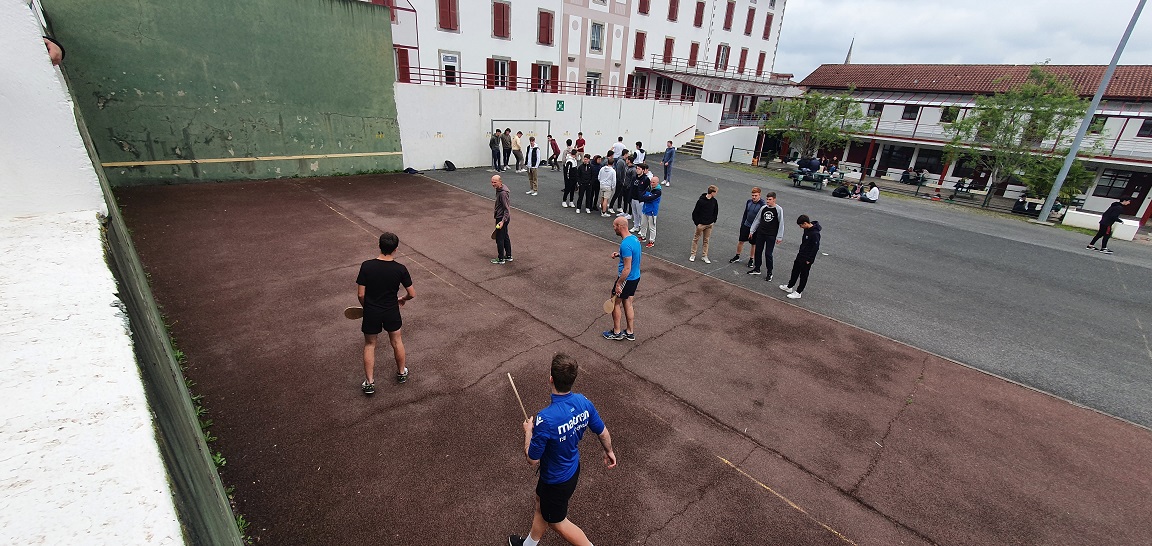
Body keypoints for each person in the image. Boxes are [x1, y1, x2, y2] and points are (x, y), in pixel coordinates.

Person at [508, 353, 617, 546]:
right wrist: (609, 451)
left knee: (557, 522)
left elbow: (532, 458)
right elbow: (603, 432)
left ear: (551, 378)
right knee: (541, 506)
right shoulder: (584, 402)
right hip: (571, 469)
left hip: (555, 481)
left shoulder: (545, 419)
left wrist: (528, 432)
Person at [356, 232, 416, 395]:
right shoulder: (400, 269)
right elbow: (412, 293)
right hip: (391, 310)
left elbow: (361, 294)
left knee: (370, 345)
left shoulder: (366, 266)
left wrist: (367, 307)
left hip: (372, 311)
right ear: (396, 249)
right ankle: (401, 373)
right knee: (397, 341)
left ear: (379, 246)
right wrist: (402, 299)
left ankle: (369, 382)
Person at [603, 217, 641, 341]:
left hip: (626, 278)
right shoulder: (634, 239)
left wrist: (619, 284)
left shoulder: (625, 244)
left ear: (620, 226)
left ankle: (617, 332)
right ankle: (630, 332)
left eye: (614, 226)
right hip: (635, 278)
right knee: (628, 303)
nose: (613, 228)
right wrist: (619, 254)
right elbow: (632, 255)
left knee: (615, 303)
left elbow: (627, 268)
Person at [779, 215, 821, 300]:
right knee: (795, 271)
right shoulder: (807, 229)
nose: (800, 227)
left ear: (805, 223)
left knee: (803, 275)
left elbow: (815, 248)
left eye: (801, 225)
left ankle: (798, 292)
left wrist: (810, 259)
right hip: (801, 255)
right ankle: (790, 286)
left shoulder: (815, 234)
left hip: (807, 258)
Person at [747, 192, 784, 280]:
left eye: (770, 199)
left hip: (771, 235)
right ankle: (757, 268)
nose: (767, 201)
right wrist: (752, 231)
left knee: (768, 254)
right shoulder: (763, 208)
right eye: (767, 199)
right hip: (761, 233)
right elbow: (757, 220)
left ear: (774, 199)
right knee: (758, 251)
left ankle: (769, 272)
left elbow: (781, 223)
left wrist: (779, 236)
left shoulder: (778, 209)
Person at [729, 187, 765, 267]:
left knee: (753, 244)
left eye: (756, 195)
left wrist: (758, 229)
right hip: (746, 224)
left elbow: (762, 218)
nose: (754, 197)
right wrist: (742, 224)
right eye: (752, 195)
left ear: (759, 195)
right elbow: (745, 213)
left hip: (755, 228)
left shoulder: (762, 205)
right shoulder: (749, 202)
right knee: (741, 241)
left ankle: (751, 259)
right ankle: (737, 256)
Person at [689, 185, 718, 263]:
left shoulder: (714, 201)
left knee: (706, 240)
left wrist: (713, 221)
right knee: (696, 239)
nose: (716, 194)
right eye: (715, 192)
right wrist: (697, 223)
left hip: (709, 224)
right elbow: (695, 213)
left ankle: (704, 256)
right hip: (701, 224)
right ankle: (693, 254)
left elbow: (715, 212)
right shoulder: (701, 201)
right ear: (712, 192)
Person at [637, 171, 662, 248]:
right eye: (651, 182)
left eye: (654, 182)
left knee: (652, 227)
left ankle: (652, 241)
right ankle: (643, 237)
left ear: (657, 182)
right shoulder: (649, 188)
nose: (652, 183)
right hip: (645, 210)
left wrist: (645, 197)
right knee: (643, 224)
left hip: (652, 212)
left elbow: (650, 198)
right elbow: (642, 196)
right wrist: (646, 197)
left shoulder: (658, 191)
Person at [492, 175, 513, 263]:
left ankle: (501, 259)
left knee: (499, 238)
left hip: (502, 218)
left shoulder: (503, 193)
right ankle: (508, 256)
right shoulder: (500, 190)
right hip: (503, 217)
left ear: (500, 181)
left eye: (495, 182)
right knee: (505, 236)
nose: (493, 184)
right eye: (492, 182)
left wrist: (502, 221)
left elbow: (507, 209)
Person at [629, 162, 651, 233]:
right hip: (633, 198)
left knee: (641, 214)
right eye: (637, 168)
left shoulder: (645, 179)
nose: (637, 170)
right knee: (634, 213)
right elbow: (631, 187)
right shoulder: (634, 177)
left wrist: (643, 197)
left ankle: (642, 229)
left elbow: (647, 189)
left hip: (640, 200)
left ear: (643, 170)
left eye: (639, 169)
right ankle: (636, 226)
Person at [609, 149, 629, 215]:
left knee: (620, 194)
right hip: (619, 181)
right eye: (627, 154)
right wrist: (620, 180)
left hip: (621, 181)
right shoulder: (621, 161)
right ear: (625, 154)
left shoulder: (622, 161)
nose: (628, 155)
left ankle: (619, 206)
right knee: (617, 194)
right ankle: (611, 206)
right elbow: (618, 172)